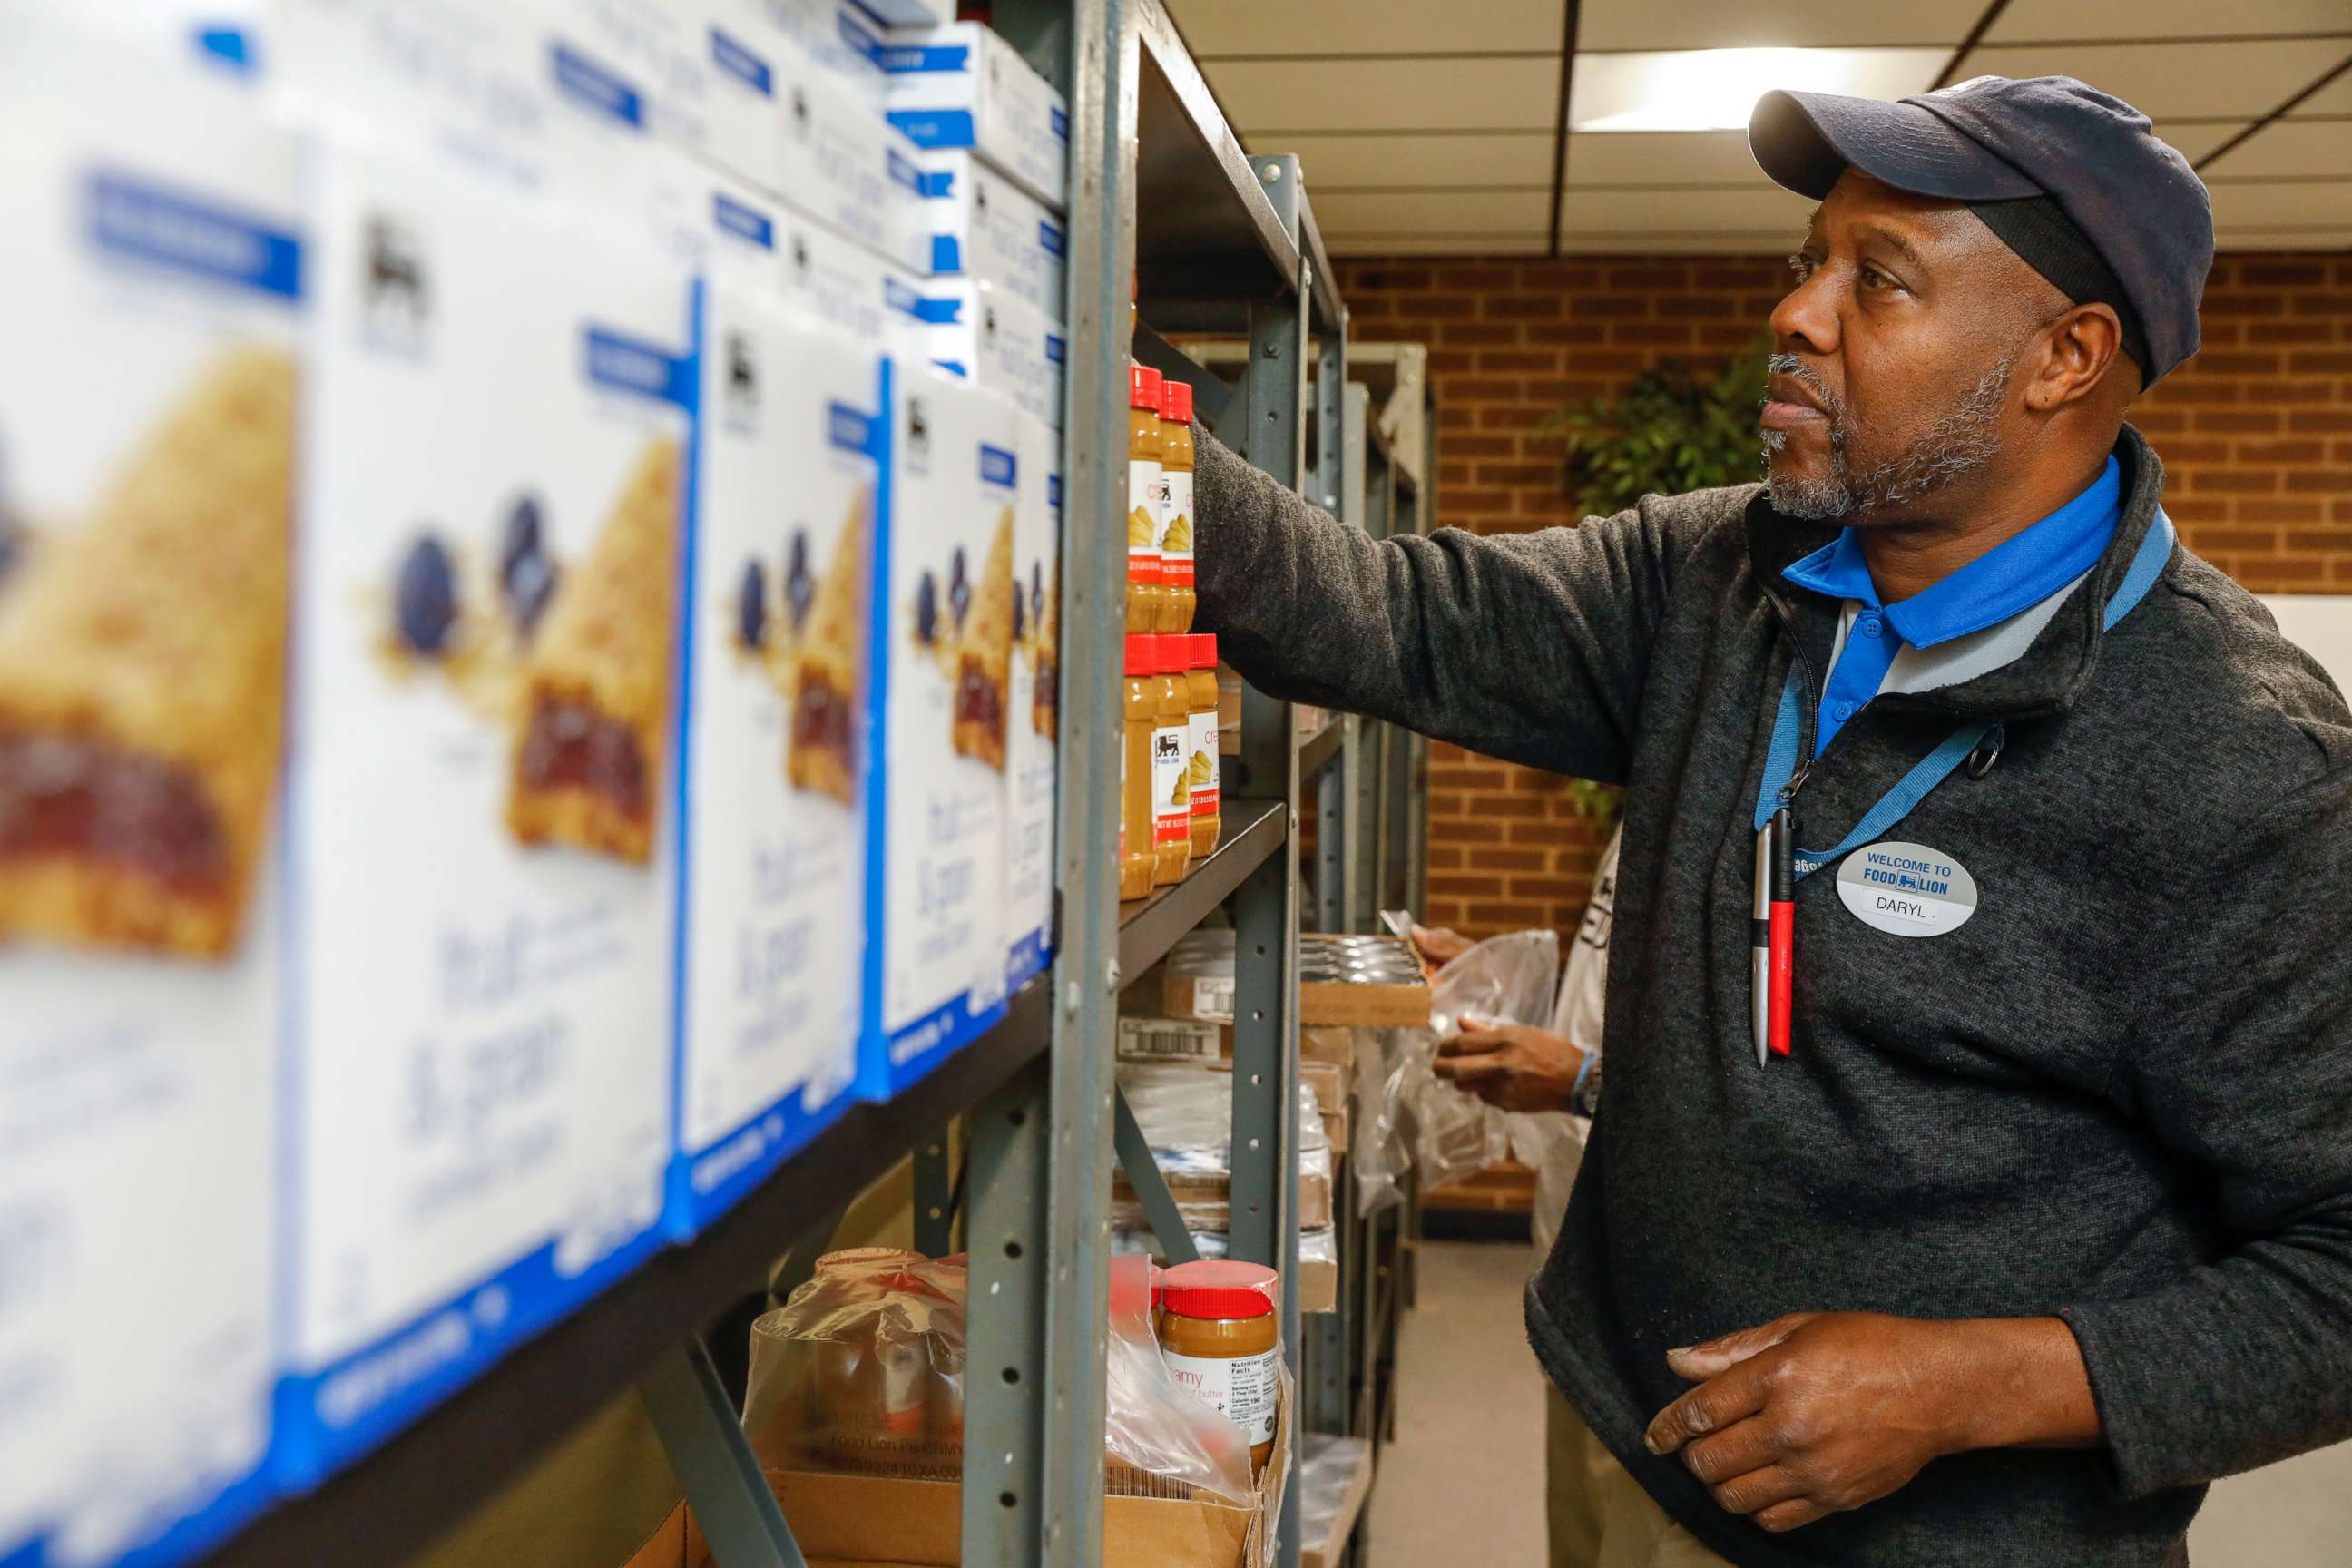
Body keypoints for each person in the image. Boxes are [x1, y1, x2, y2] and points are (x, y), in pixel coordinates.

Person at [1192, 74, 2352, 1568]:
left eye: (1876, 278)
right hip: (1623, 1435)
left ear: (2064, 357)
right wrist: (1112, 418)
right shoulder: (1720, 576)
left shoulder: (2239, 760)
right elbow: (1385, 616)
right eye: (1808, 259)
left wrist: (1964, 1383)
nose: (1796, 312)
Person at [1416, 823, 1622, 1568]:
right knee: (1578, 1526)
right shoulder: (1668, 774)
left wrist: (1582, 1080)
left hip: (1658, 1295)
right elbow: (1617, 1007)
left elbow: (1759, 1085)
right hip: (1580, 1261)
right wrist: (1497, 993)